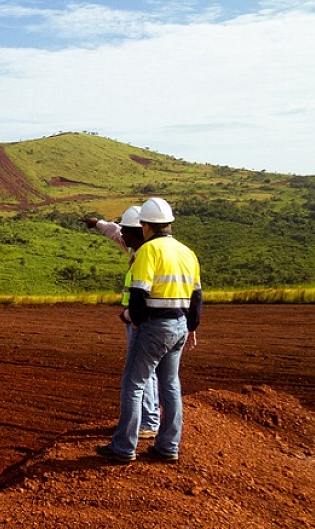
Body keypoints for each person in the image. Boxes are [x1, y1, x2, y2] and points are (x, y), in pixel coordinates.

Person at [96, 197, 202, 463]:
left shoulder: (148, 251)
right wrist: (191, 327)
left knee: (133, 384)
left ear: (146, 226)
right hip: (180, 325)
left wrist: (130, 315)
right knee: (170, 384)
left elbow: (139, 294)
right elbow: (197, 296)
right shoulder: (187, 252)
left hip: (155, 326)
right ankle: (168, 447)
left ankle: (124, 448)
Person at [81, 207, 160, 439]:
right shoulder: (138, 246)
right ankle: (152, 418)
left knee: (140, 373)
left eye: (126, 230)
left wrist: (131, 316)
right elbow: (114, 231)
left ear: (140, 230)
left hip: (141, 319)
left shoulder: (147, 254)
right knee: (155, 373)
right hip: (146, 319)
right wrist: (96, 223)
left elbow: (145, 292)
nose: (121, 235)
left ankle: (148, 422)